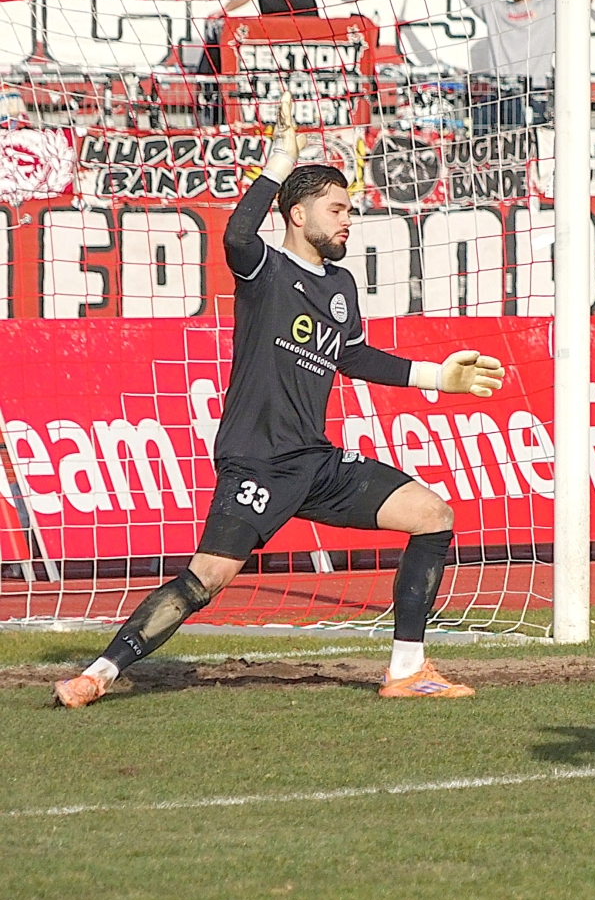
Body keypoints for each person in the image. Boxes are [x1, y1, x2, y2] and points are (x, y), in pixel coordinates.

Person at [52, 102, 507, 709]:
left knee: (433, 515)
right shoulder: (264, 269)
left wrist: (435, 375)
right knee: (206, 579)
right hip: (258, 461)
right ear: (297, 214)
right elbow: (238, 234)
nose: (350, 221)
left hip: (313, 461)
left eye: (350, 210)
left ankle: (407, 671)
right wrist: (276, 166)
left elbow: (352, 355)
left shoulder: (340, 287)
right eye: (337, 209)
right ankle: (98, 674)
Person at [430, 0, 554, 130]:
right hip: (503, 91)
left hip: (535, 92)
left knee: (533, 148)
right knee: (501, 146)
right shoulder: (497, 10)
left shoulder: (547, 8)